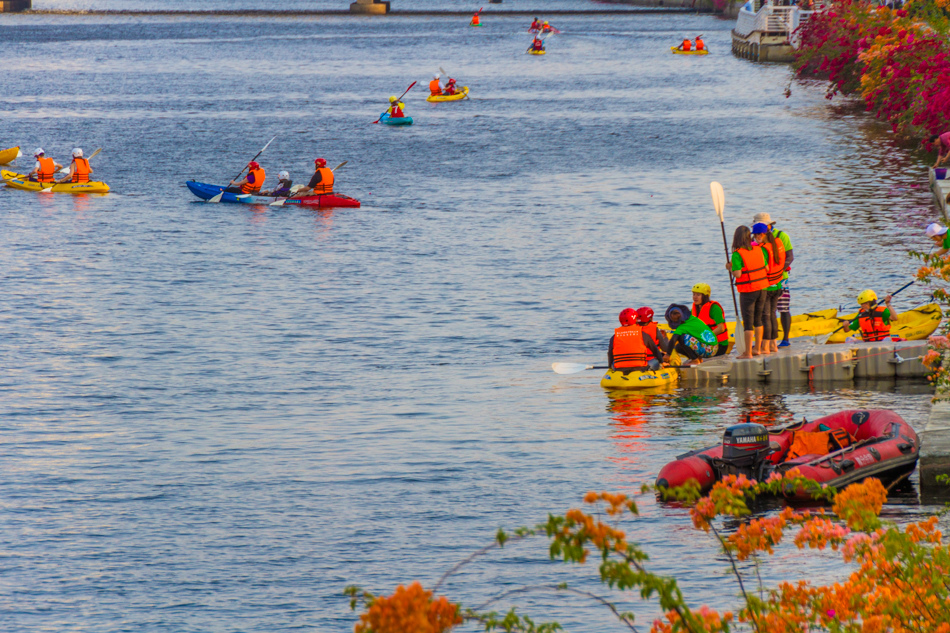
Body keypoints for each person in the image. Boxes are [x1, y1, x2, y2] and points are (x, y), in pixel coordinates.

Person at [727, 224, 769, 359]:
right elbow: (766, 268)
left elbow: (738, 274)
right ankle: (757, 348)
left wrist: (730, 268)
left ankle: (748, 353)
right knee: (758, 319)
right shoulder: (759, 250)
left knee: (748, 321)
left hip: (748, 290)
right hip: (762, 287)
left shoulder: (737, 254)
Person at [753, 212, 794, 347]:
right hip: (763, 280)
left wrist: (777, 270)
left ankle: (785, 339)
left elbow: (790, 257)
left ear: (769, 226)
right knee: (766, 312)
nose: (759, 234)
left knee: (783, 308)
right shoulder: (755, 239)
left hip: (780, 279)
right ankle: (769, 341)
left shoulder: (782, 236)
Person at [608, 308, 666, 372]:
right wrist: (661, 362)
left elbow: (610, 353)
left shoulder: (614, 336)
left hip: (619, 368)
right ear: (635, 320)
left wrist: (609, 366)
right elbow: (655, 351)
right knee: (656, 361)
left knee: (614, 362)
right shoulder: (643, 334)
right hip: (640, 368)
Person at [690, 283, 729, 357]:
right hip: (704, 343)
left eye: (698, 295)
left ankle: (696, 359)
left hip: (719, 345)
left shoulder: (714, 308)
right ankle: (695, 359)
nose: (695, 297)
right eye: (693, 294)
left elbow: (721, 328)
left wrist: (705, 338)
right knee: (680, 346)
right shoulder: (695, 308)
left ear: (705, 296)